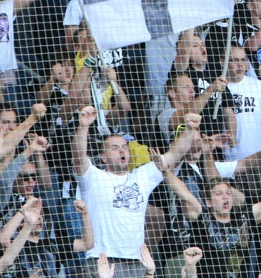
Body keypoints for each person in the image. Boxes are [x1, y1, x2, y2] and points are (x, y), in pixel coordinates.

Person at [72, 105, 198, 278]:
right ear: (103, 156)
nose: (122, 150)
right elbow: (78, 157)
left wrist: (190, 129)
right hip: (102, 261)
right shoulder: (93, 177)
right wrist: (83, 126)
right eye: (115, 148)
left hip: (137, 262)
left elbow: (174, 155)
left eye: (124, 146)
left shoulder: (141, 176)